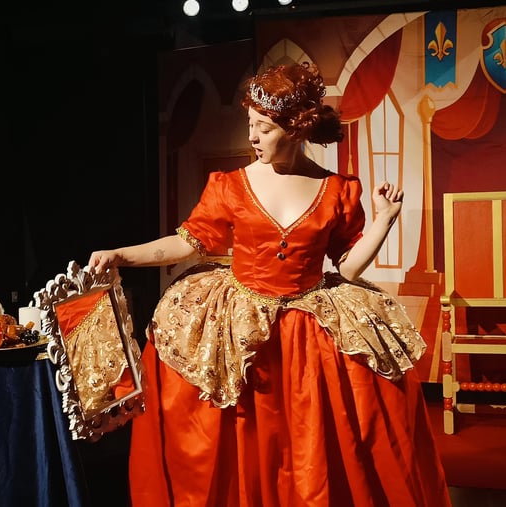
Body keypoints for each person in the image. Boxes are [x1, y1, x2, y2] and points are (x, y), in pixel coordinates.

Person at [88, 62, 451, 507]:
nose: (253, 137)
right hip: (241, 330)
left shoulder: (338, 189)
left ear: (295, 129)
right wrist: (121, 254)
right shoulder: (229, 185)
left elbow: (349, 269)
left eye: (263, 127)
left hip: (310, 331)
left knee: (316, 438)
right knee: (240, 434)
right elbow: (187, 244)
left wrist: (383, 221)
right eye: (250, 125)